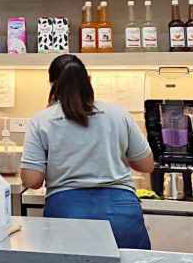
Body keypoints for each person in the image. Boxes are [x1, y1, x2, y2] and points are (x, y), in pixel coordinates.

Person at [20, 54, 154, 249]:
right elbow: (146, 164)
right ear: (88, 80)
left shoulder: (42, 120)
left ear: (52, 84)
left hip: (67, 215)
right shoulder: (119, 114)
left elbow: (32, 181)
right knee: (127, 262)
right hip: (122, 215)